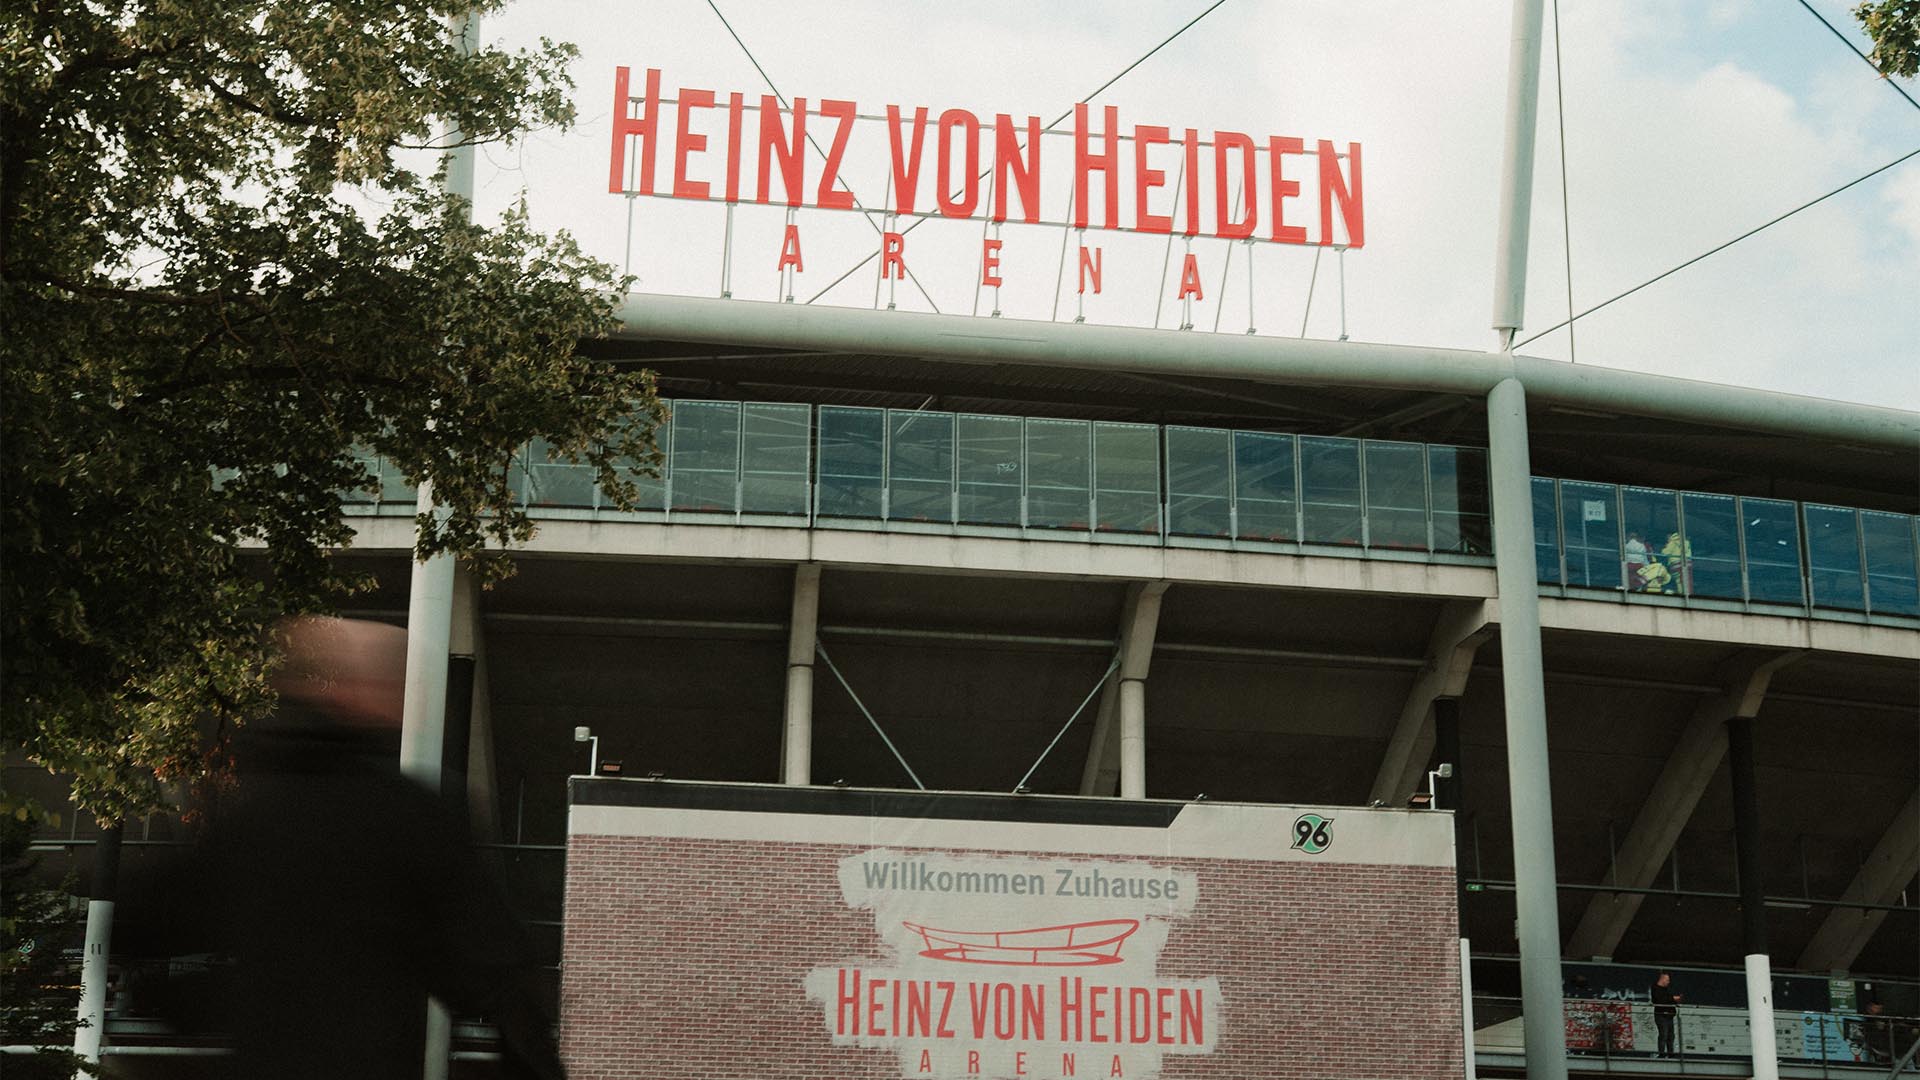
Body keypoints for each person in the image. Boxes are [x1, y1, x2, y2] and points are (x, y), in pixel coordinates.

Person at [155, 617, 565, 1080]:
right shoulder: (411, 815)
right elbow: (496, 969)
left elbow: (159, 921)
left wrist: (227, 1003)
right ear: (369, 694)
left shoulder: (258, 813)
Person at [1649, 971, 1683, 1058]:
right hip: (1661, 1015)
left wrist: (1675, 1000)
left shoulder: (1666, 990)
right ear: (1663, 979)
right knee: (1663, 1034)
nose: (1669, 982)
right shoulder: (1655, 988)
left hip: (1669, 1016)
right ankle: (1662, 1054)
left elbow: (1667, 999)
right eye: (1667, 980)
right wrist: (1673, 998)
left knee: (1671, 1036)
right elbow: (1660, 1000)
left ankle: (1671, 1053)